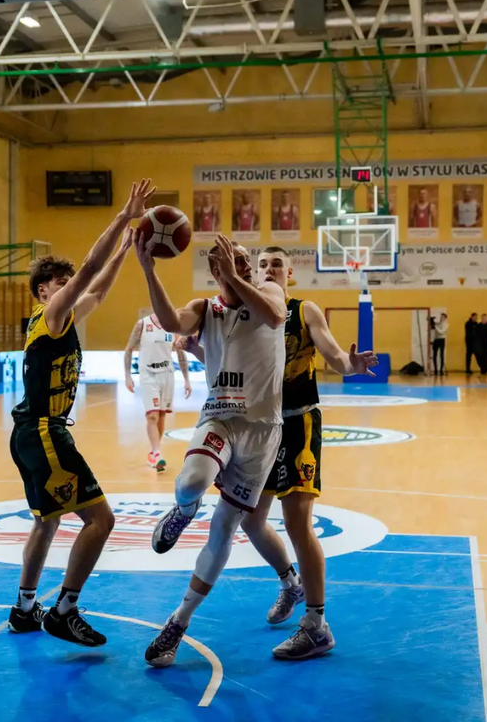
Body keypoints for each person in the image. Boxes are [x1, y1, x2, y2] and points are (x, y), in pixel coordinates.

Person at [6, 178, 154, 647]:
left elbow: (100, 286)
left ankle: (25, 609)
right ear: (42, 293)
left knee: (47, 520)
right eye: (59, 284)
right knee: (101, 521)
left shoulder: (63, 318)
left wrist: (126, 249)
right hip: (45, 432)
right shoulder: (49, 316)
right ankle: (64, 609)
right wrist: (122, 218)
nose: (68, 287)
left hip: (32, 432)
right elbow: (90, 269)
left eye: (66, 283)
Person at [139, 233, 287, 668]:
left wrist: (233, 274)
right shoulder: (207, 308)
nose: (241, 264)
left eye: (244, 259)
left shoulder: (269, 291)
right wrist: (148, 269)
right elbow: (169, 321)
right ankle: (182, 513)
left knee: (224, 527)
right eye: (230, 260)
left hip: (263, 431)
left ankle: (178, 621)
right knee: (191, 483)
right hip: (220, 415)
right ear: (214, 269)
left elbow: (276, 316)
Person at [228, 246, 376, 659]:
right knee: (251, 521)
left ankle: (316, 624)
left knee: (297, 522)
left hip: (299, 423)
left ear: (289, 272)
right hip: (261, 427)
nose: (269, 269)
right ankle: (290, 582)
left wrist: (353, 364)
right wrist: (193, 350)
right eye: (262, 264)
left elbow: (333, 355)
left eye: (276, 264)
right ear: (253, 273)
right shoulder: (246, 312)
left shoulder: (304, 310)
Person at [124, 313, 192, 471]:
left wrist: (186, 379)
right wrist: (128, 376)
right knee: (152, 415)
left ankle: (154, 453)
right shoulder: (142, 324)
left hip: (167, 374)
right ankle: (157, 452)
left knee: (161, 416)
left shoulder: (172, 325)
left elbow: (181, 354)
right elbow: (129, 350)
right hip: (148, 374)